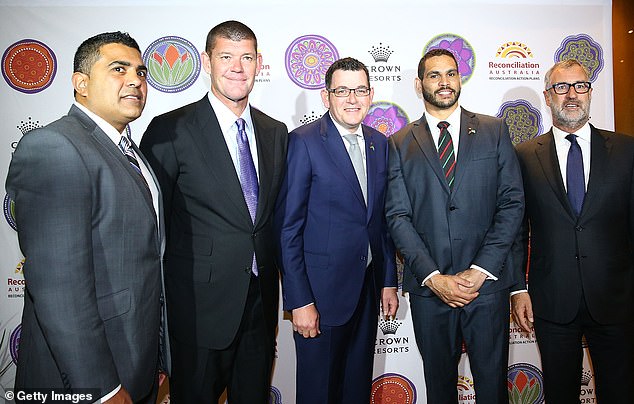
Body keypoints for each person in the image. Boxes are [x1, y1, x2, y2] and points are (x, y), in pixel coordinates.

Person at [6, 31, 165, 403]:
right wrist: (100, 388)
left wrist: (157, 355)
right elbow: (58, 288)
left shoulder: (133, 154)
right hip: (87, 380)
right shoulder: (55, 147)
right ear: (81, 83)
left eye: (141, 72)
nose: (135, 80)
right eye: (118, 69)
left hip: (135, 360)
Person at [140, 20, 288, 403]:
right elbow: (152, 229)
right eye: (226, 57)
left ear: (259, 63)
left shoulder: (275, 132)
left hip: (261, 305)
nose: (237, 67)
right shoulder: (169, 130)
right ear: (206, 61)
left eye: (246, 57)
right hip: (197, 311)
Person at [385, 48, 524, 403]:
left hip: (485, 288)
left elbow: (512, 204)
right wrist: (434, 277)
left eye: (451, 73)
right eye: (434, 75)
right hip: (430, 290)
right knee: (439, 388)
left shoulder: (494, 130)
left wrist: (480, 270)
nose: (444, 82)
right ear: (419, 85)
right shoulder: (399, 144)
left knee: (493, 387)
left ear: (459, 79)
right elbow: (397, 217)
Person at [275, 57, 398, 404]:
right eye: (341, 90)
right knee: (320, 392)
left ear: (371, 94)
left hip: (367, 290)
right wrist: (300, 300)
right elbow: (288, 228)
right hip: (321, 297)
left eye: (359, 90)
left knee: (356, 389)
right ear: (326, 97)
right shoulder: (304, 142)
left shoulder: (379, 143)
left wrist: (388, 279)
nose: (352, 98)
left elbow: (380, 222)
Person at [511, 59, 634, 403]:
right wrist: (517, 290)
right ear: (548, 96)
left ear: (590, 92)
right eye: (561, 87)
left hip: (616, 298)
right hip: (552, 300)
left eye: (580, 86)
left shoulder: (626, 151)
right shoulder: (523, 156)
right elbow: (517, 231)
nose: (571, 95)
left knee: (621, 391)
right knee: (560, 394)